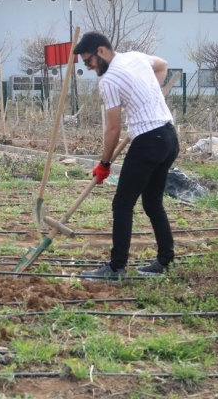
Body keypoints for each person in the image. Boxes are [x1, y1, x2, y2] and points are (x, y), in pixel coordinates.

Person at [73, 31, 180, 280]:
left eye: (88, 61)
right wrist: (152, 92)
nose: (88, 68)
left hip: (147, 143)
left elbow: (113, 128)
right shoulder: (136, 57)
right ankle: (165, 260)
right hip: (168, 137)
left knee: (122, 204)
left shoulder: (108, 80)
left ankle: (116, 267)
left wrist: (105, 163)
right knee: (152, 203)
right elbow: (162, 65)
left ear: (101, 51)